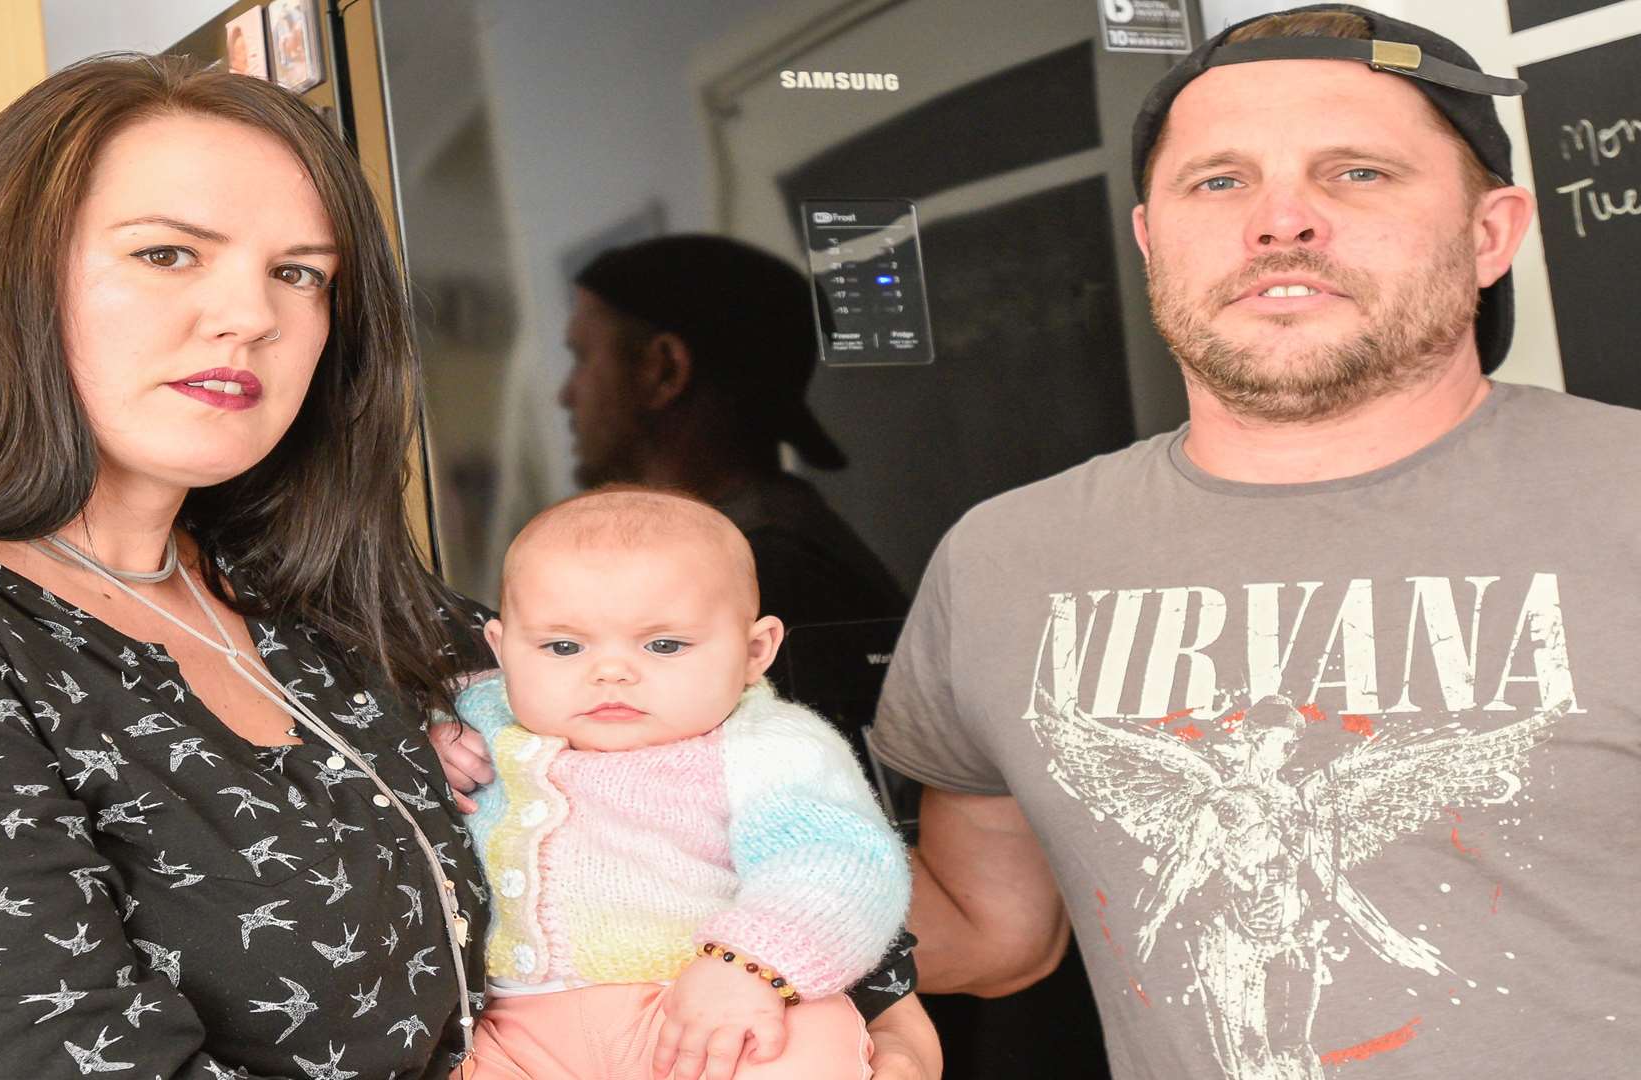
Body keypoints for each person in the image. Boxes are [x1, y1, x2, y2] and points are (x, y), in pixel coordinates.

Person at [0, 51, 939, 1080]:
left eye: (299, 274)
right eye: (167, 254)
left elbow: (704, 731)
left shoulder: (328, 594)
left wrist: (857, 980)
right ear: (7, 284)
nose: (250, 315)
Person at [866, 6, 1639, 1080]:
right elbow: (994, 937)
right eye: (1219, 182)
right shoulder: (1005, 557)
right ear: (1149, 238)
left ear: (1490, 234)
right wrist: (668, 878)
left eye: (1357, 173)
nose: (1282, 221)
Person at [431, 489, 911, 1080]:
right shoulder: (476, 717)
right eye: (563, 646)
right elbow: (389, 743)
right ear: (503, 651)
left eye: (664, 644)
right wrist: (432, 746)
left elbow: (839, 863)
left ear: (755, 651)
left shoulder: (769, 746)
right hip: (519, 1029)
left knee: (796, 1052)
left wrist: (750, 965)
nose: (610, 671)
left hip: (713, 1010)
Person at [561, 236, 908, 632]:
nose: (566, 395)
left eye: (581, 358)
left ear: (665, 369)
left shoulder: (762, 570)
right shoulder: (756, 551)